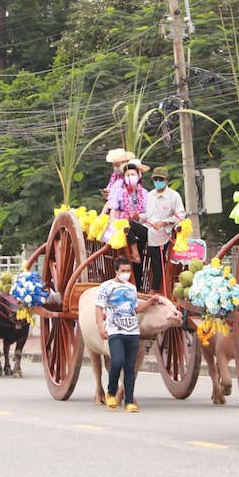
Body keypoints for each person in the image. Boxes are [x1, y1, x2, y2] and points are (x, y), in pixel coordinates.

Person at [95, 257, 160, 412]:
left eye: (128, 271)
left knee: (130, 368)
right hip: (115, 331)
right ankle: (111, 392)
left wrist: (150, 302)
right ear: (116, 271)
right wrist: (100, 326)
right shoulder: (106, 287)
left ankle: (129, 401)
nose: (126, 274)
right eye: (123, 271)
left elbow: (135, 308)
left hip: (132, 331)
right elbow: (99, 308)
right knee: (117, 362)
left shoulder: (131, 288)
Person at [103, 160, 150, 287]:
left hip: (140, 226)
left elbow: (148, 214)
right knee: (126, 225)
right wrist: (113, 223)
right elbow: (113, 209)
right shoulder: (119, 188)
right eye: (128, 175)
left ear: (139, 175)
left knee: (138, 239)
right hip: (123, 227)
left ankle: (137, 283)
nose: (131, 177)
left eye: (133, 174)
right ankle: (135, 284)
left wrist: (139, 216)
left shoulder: (145, 194)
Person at [142, 166, 185, 293]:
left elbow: (180, 215)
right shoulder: (150, 195)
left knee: (157, 261)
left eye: (160, 179)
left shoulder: (174, 196)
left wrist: (164, 222)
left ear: (166, 180)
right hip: (148, 229)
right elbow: (148, 215)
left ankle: (156, 288)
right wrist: (138, 216)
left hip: (163, 232)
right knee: (132, 229)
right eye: (155, 179)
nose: (157, 181)